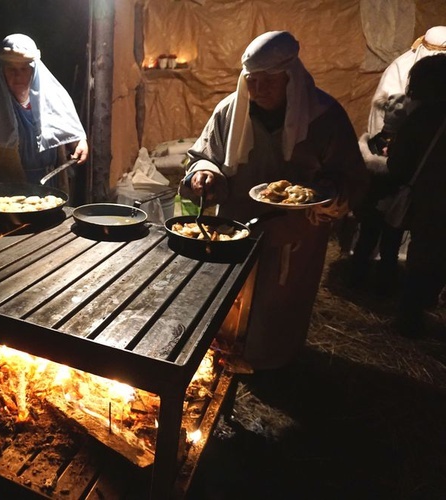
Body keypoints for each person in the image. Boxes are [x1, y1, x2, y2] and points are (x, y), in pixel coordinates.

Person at [179, 31, 368, 370]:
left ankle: (269, 362)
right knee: (229, 298)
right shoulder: (229, 111)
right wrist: (203, 173)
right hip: (237, 227)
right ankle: (220, 358)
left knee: (277, 301)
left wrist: (328, 197)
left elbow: (349, 178)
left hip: (294, 235)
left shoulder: (324, 117)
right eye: (251, 80)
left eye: (269, 81)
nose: (257, 90)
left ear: (291, 78)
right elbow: (205, 154)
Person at [348, 26, 446, 291]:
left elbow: (398, 165)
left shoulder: (422, 116)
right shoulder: (401, 66)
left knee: (402, 238)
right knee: (387, 233)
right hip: (407, 185)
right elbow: (383, 112)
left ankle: (392, 288)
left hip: (411, 187)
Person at [0, 33, 88, 188]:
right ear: (1, 71)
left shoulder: (52, 98)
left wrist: (79, 142)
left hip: (49, 184)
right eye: (11, 69)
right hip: (5, 191)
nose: (18, 75)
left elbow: (70, 131)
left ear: (34, 71)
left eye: (24, 69)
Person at [386, 53, 446, 338]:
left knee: (422, 255)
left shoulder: (422, 118)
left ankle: (409, 320)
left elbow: (398, 164)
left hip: (431, 202)